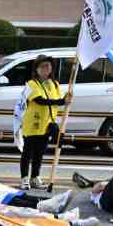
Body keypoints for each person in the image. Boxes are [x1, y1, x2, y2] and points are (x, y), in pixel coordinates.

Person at [19, 55, 69, 190]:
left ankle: (35, 177)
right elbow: (39, 100)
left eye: (48, 66)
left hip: (47, 123)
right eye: (42, 66)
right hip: (32, 123)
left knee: (39, 153)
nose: (46, 69)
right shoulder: (31, 84)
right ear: (36, 69)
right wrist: (61, 101)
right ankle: (24, 179)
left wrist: (66, 99)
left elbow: (58, 100)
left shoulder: (54, 84)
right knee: (27, 152)